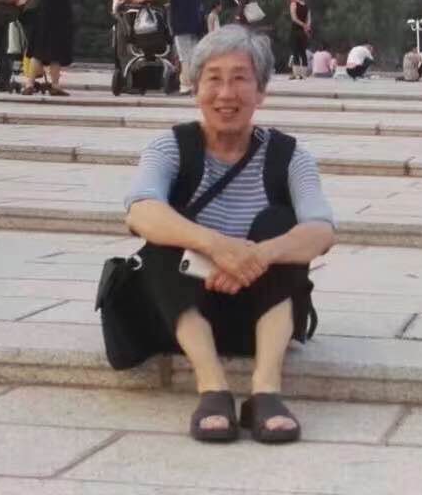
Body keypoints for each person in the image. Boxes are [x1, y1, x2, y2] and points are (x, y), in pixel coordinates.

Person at [124, 24, 335, 444]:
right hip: (183, 313)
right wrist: (219, 247)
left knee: (281, 225)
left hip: (261, 312)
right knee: (165, 235)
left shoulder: (289, 156)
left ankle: (265, 391)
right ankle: (212, 388)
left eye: (240, 79)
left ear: (261, 92)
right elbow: (141, 211)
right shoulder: (169, 147)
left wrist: (258, 255)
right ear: (195, 88)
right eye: (213, 79)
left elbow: (321, 230)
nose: (226, 93)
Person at [135, 0, 205, 95]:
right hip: (197, 21)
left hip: (182, 21)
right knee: (194, 54)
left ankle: (186, 84)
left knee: (184, 55)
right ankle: (197, 84)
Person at [19, 0, 79, 96]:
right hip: (63, 13)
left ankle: (29, 84)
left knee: (38, 48)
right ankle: (55, 85)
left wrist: (25, 2)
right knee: (56, 51)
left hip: (44, 10)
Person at [287, 0, 312, 79]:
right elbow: (309, 19)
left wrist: (303, 25)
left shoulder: (293, 4)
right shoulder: (306, 5)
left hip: (295, 30)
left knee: (295, 52)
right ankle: (304, 74)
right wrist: (306, 27)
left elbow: (294, 18)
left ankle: (296, 74)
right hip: (303, 32)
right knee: (303, 52)